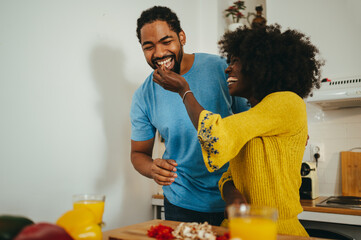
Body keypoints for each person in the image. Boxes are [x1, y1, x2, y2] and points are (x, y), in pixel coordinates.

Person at [153, 24, 324, 236]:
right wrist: (232, 194)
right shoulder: (253, 115)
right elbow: (229, 175)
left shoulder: (288, 102)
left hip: (276, 231)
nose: (228, 68)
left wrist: (184, 90)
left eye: (235, 61)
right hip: (240, 229)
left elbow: (214, 134)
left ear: (259, 65)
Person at [130, 6, 249, 225]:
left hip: (235, 196)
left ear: (182, 37)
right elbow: (138, 153)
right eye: (149, 47)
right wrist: (152, 168)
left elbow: (251, 121)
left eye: (166, 42)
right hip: (181, 203)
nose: (158, 53)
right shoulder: (143, 96)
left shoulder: (222, 69)